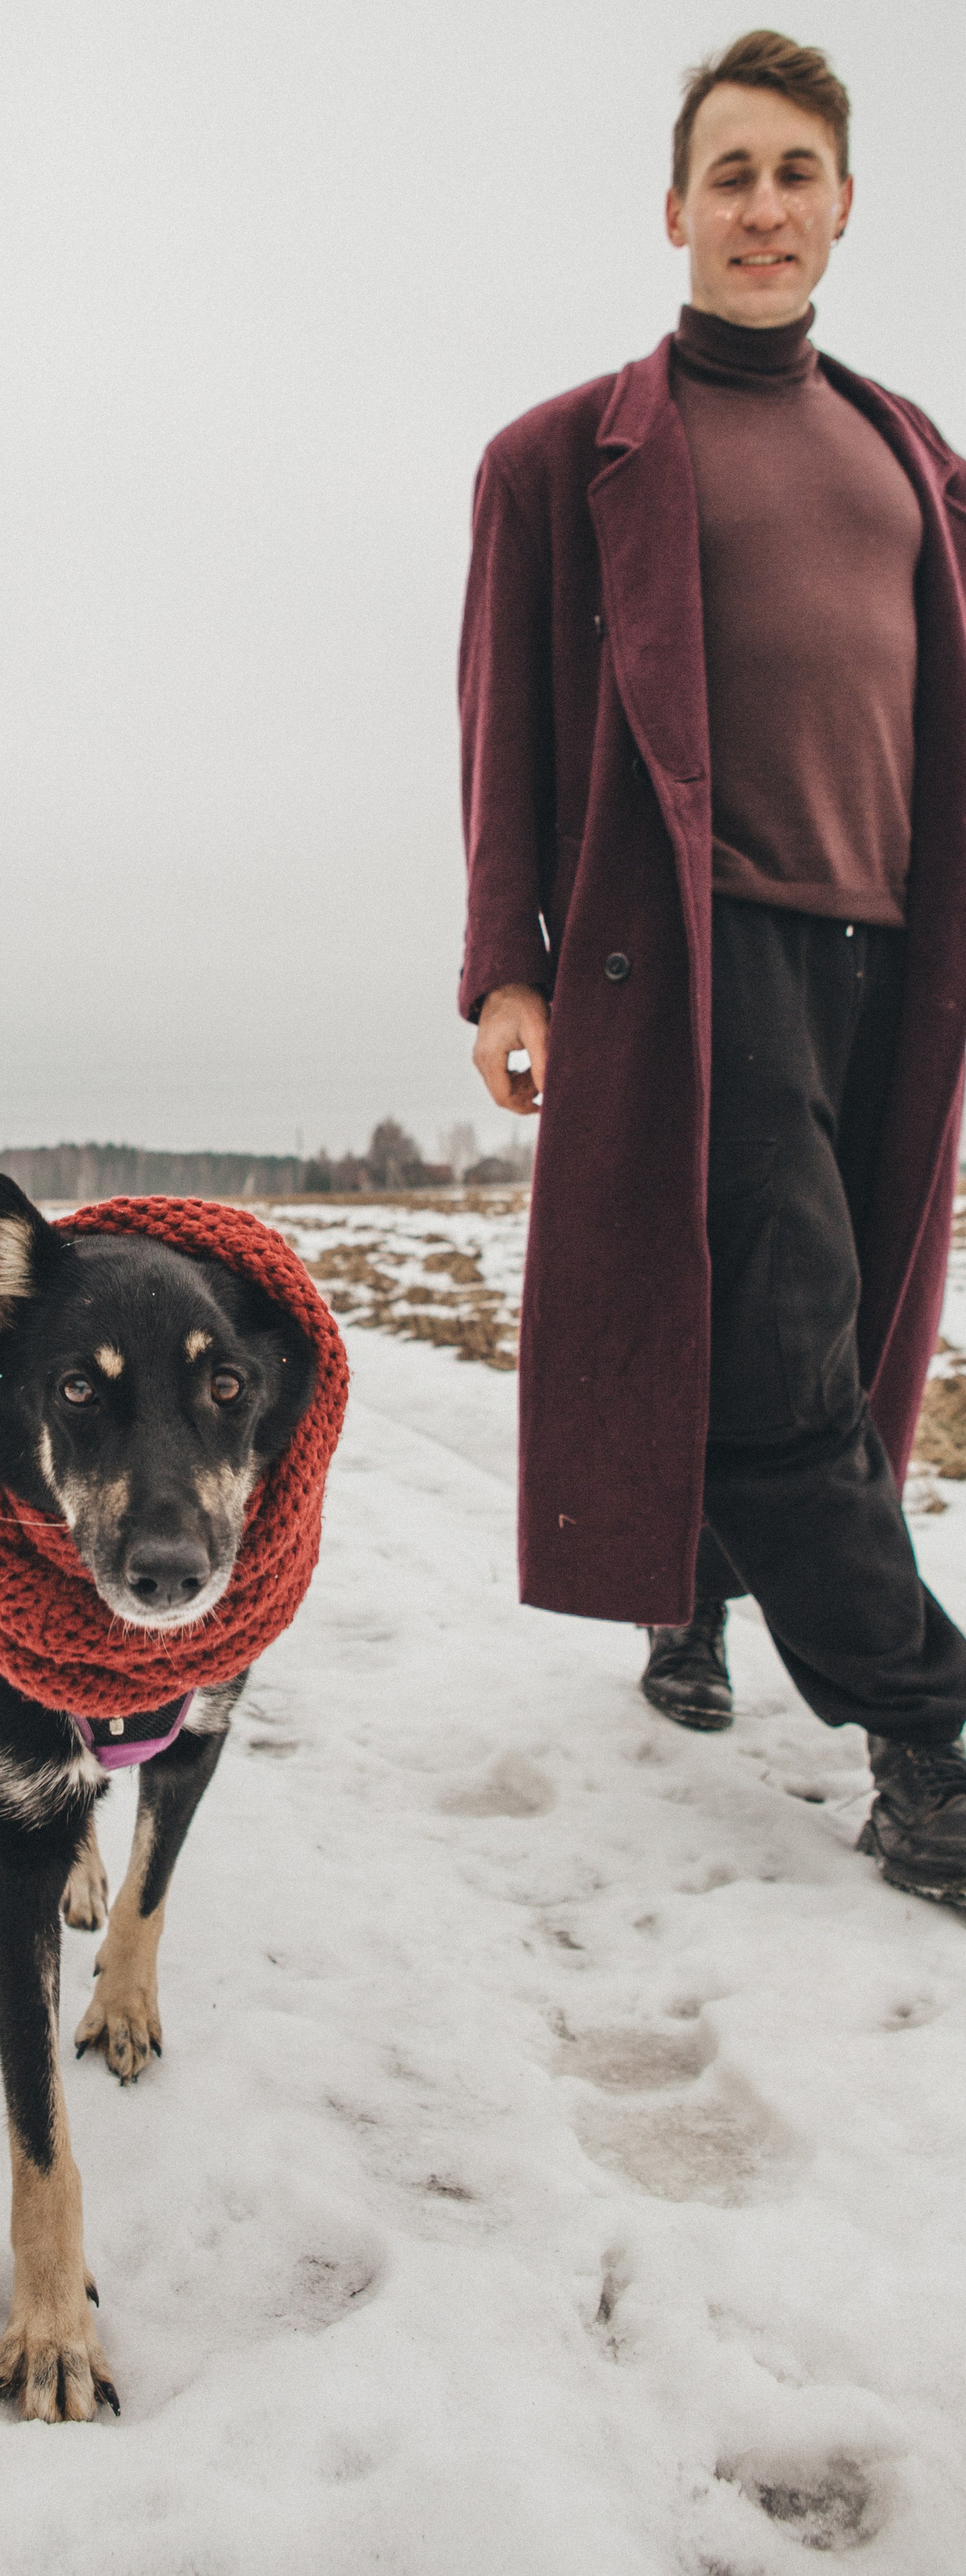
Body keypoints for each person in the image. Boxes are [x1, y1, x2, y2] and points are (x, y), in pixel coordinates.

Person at [458, 28, 966, 1906]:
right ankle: (937, 1737)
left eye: (797, 174)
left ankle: (695, 1599)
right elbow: (503, 724)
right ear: (677, 210)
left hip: (894, 971)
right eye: (730, 174)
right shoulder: (564, 457)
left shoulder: (921, 461)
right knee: (776, 1366)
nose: (764, 207)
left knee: (822, 1344)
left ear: (846, 209)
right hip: (691, 952)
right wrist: (500, 963)